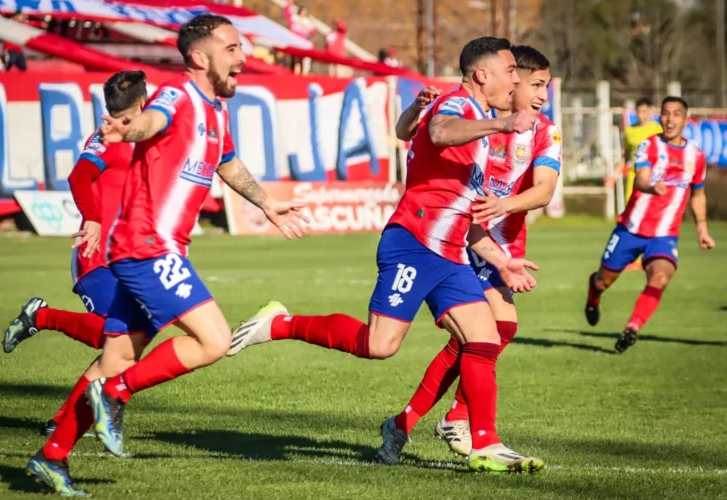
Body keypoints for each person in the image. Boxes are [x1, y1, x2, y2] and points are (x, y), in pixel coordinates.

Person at [228, 37, 546, 473]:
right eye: (511, 71)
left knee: (485, 339)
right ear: (481, 74)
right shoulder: (457, 107)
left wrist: (499, 259)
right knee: (379, 346)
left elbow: (462, 210)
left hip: (451, 253)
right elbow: (437, 131)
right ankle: (280, 324)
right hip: (414, 245)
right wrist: (503, 126)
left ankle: (485, 444)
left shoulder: (479, 120)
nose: (516, 79)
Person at [23, 14, 309, 496]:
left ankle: (51, 456)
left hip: (159, 246)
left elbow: (228, 163)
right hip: (147, 244)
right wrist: (129, 131)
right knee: (214, 340)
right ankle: (117, 394)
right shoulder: (178, 95)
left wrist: (267, 203)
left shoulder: (217, 112)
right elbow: (152, 121)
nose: (243, 58)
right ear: (200, 57)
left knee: (114, 356)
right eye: (233, 49)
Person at [382, 45, 562, 460]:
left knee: (491, 333)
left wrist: (506, 206)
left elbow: (545, 190)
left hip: (499, 239)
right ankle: (458, 424)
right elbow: (415, 132)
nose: (539, 95)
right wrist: (415, 111)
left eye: (544, 87)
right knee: (483, 333)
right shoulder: (468, 112)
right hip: (458, 236)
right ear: (507, 80)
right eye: (534, 84)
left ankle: (413, 422)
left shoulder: (543, 130)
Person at [2, 70, 149, 439]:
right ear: (143, 103)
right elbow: (79, 177)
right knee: (114, 339)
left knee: (124, 342)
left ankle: (63, 420)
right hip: (94, 253)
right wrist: (95, 221)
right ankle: (43, 317)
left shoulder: (144, 139)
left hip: (128, 256)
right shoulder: (108, 139)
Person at [585, 96, 716, 354]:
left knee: (661, 276)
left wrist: (702, 228)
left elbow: (698, 194)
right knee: (603, 281)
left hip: (665, 234)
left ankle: (632, 328)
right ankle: (593, 294)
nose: (670, 119)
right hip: (631, 229)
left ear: (685, 119)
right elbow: (641, 178)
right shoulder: (650, 145)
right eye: (665, 114)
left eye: (676, 114)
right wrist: (652, 187)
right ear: (661, 117)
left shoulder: (696, 156)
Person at [606, 98, 663, 270]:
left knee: (652, 217)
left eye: (644, 111)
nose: (641, 114)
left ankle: (652, 256)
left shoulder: (657, 130)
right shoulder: (630, 132)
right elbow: (626, 157)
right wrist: (614, 175)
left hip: (653, 180)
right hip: (634, 180)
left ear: (651, 112)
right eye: (638, 111)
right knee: (632, 218)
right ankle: (635, 259)